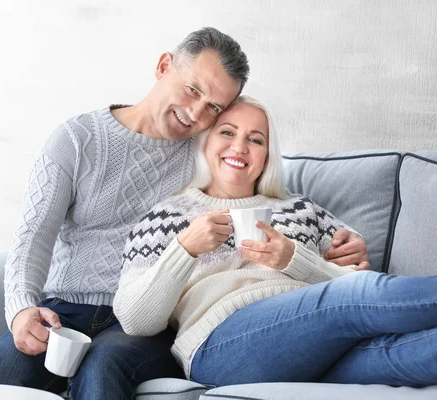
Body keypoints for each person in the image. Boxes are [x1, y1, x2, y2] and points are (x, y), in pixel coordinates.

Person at [0, 28, 369, 400]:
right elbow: (32, 238)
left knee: (105, 365)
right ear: (164, 65)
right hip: (65, 309)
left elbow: (268, 190)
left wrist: (342, 237)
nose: (196, 112)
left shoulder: (208, 155)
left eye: (213, 107)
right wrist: (21, 310)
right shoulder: (75, 139)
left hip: (148, 319)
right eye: (193, 89)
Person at [114, 96, 437, 388]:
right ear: (205, 140)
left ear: (267, 154)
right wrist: (185, 249)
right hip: (222, 347)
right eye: (227, 132)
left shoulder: (302, 209)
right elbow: (135, 321)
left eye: (255, 140)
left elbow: (350, 275)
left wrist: (295, 259)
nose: (240, 147)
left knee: (423, 354)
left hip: (315, 345)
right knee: (353, 294)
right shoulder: (167, 215)